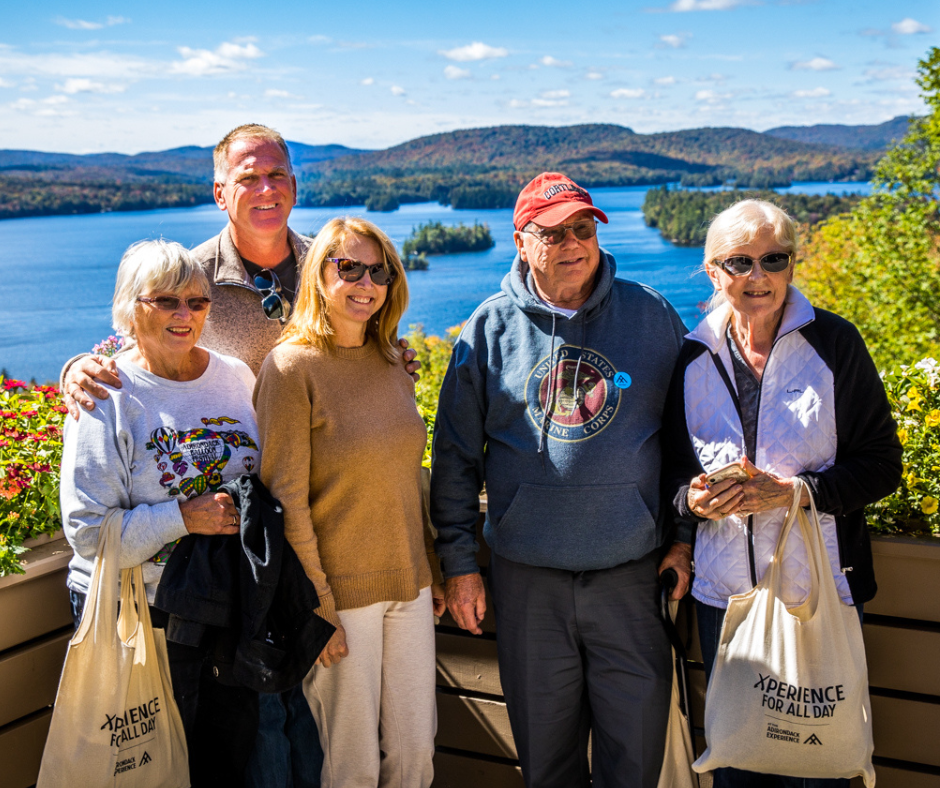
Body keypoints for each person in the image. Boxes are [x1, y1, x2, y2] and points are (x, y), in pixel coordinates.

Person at [58, 123, 420, 788]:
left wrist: (394, 356)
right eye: (248, 177)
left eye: (277, 174)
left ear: (294, 184)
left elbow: (371, 338)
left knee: (277, 749)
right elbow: (128, 354)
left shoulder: (331, 263)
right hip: (192, 588)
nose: (265, 189)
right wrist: (77, 368)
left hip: (277, 567)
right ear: (220, 191)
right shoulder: (191, 273)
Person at [429, 172, 692, 788]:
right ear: (522, 242)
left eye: (582, 227)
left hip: (632, 574)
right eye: (552, 233)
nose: (573, 243)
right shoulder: (487, 331)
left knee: (636, 759)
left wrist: (682, 538)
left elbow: (688, 441)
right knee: (547, 764)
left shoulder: (651, 314)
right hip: (528, 583)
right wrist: (460, 563)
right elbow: (456, 457)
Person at [661, 199, 902, 788]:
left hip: (819, 591)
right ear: (713, 271)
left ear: (792, 265)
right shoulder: (692, 356)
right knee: (739, 768)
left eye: (773, 258)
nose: (758, 275)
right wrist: (689, 503)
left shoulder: (836, 344)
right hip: (725, 600)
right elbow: (669, 472)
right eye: (739, 262)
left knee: (815, 771)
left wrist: (794, 492)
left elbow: (882, 465)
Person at [253, 216, 445, 788]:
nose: (366, 282)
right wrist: (319, 607)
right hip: (338, 595)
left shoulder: (392, 363)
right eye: (349, 268)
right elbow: (283, 497)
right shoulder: (291, 368)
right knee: (350, 766)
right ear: (320, 277)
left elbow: (405, 478)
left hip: (408, 586)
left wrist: (429, 568)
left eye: (378, 270)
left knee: (415, 754)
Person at [60, 239, 261, 785]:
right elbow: (87, 533)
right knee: (144, 771)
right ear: (130, 308)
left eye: (198, 302)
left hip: (225, 605)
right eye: (166, 301)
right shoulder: (105, 395)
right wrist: (183, 517)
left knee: (223, 758)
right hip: (137, 614)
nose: (185, 315)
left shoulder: (235, 376)